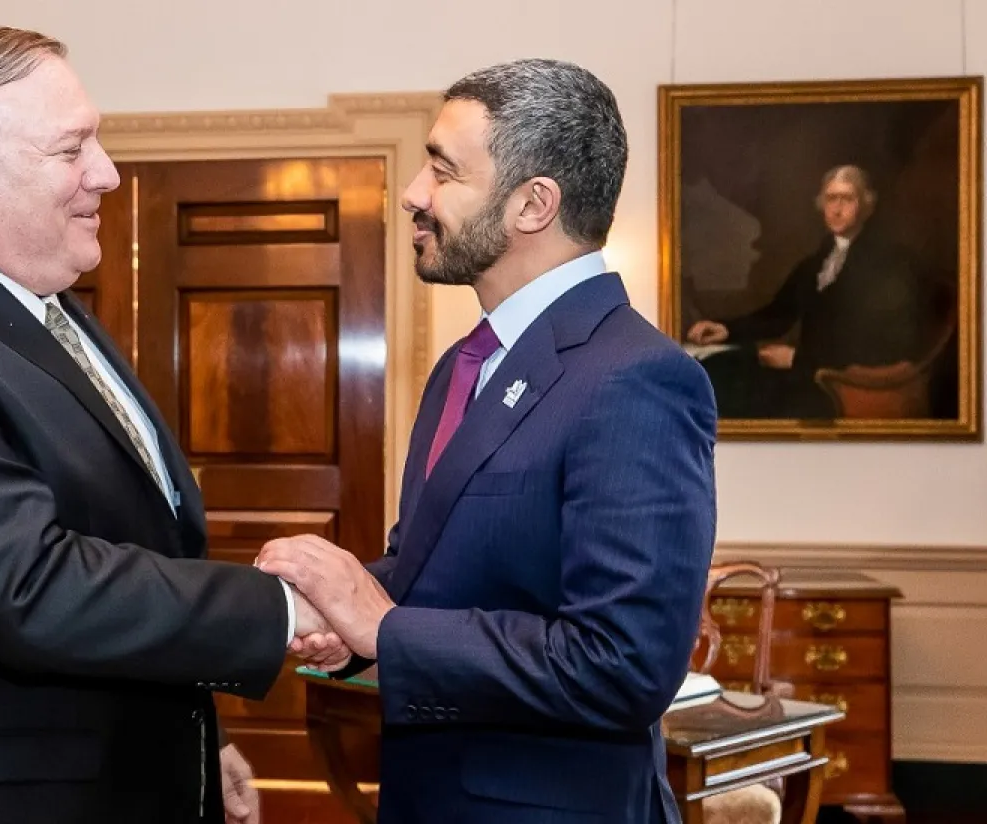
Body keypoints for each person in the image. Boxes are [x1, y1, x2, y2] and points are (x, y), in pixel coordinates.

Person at [0, 25, 345, 824]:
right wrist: (285, 607)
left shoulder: (46, 312)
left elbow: (134, 549)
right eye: (71, 149)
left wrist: (199, 747)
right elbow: (26, 588)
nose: (106, 173)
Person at [257, 59, 718, 823]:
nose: (413, 192)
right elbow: (431, 569)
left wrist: (384, 626)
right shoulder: (463, 367)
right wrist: (348, 624)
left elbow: (623, 665)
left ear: (533, 204)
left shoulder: (636, 378)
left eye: (443, 169)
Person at [686, 164, 927, 418]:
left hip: (835, 384)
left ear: (866, 205)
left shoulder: (889, 263)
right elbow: (779, 314)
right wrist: (727, 329)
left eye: (847, 198)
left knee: (735, 391)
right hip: (806, 372)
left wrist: (801, 359)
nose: (837, 208)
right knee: (715, 369)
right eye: (831, 198)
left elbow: (884, 341)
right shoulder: (816, 262)